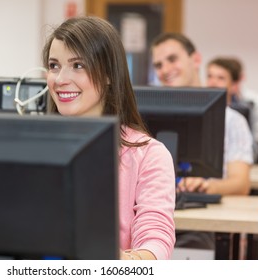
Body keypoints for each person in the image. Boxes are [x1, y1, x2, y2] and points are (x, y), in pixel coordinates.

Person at [42, 16, 176, 260]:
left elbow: (156, 242)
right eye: (54, 65)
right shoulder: (36, 146)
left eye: (78, 65)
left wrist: (120, 260)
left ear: (108, 75)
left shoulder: (149, 155)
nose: (60, 79)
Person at [151, 33, 253, 252]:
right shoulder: (144, 117)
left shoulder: (232, 121)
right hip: (155, 220)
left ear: (195, 60)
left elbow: (241, 184)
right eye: (158, 65)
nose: (165, 70)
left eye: (172, 59)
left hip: (204, 228)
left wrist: (207, 185)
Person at [207, 57, 258, 162]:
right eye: (209, 76)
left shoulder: (246, 109)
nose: (213, 83)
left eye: (220, 78)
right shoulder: (202, 109)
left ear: (234, 85)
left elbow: (256, 144)